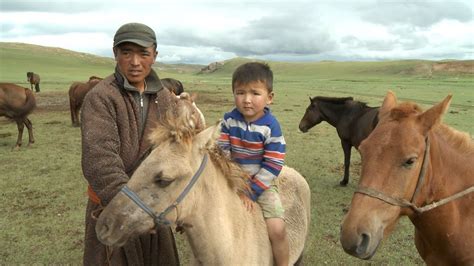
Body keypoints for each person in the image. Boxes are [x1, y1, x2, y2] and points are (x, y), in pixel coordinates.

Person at [80, 22, 180, 265]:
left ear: (154, 56)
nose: (135, 62)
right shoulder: (101, 97)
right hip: (114, 206)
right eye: (127, 53)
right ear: (115, 54)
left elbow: (177, 151)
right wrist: (133, 208)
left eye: (143, 53)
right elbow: (100, 160)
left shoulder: (165, 98)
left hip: (155, 205)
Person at [217, 62, 289, 266]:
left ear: (269, 97)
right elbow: (222, 152)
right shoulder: (229, 121)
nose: (247, 100)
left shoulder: (271, 127)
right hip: (232, 179)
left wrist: (250, 191)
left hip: (262, 183)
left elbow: (273, 164)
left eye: (255, 93)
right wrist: (231, 178)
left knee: (277, 229)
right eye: (240, 92)